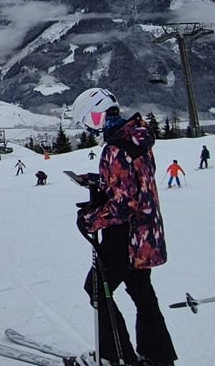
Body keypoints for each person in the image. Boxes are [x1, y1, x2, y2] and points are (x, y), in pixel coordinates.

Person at [72, 87, 177, 366]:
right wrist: (101, 182)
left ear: (97, 115)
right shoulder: (137, 140)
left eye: (89, 122)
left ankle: (113, 356)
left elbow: (122, 207)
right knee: (142, 292)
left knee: (97, 288)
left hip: (124, 238)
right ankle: (158, 355)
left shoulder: (115, 148)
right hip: (146, 235)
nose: (91, 130)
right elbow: (135, 183)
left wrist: (90, 220)